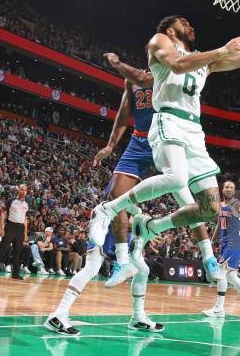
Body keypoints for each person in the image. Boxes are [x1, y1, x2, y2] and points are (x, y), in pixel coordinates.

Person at [90, 14, 240, 277]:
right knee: (176, 178)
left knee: (210, 208)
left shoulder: (204, 60)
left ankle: (153, 227)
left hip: (194, 130)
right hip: (168, 119)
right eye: (184, 21)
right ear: (171, 30)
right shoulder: (159, 41)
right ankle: (109, 209)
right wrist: (220, 50)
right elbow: (178, 65)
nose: (191, 24)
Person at [91, 52, 219, 287]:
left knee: (187, 199)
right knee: (115, 195)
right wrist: (110, 145)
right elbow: (124, 113)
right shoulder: (134, 80)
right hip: (140, 140)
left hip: (168, 136)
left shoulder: (176, 71)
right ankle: (121, 261)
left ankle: (208, 254)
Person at [202, 180, 240, 319]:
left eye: (231, 188)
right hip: (224, 244)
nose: (229, 189)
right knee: (231, 276)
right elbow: (219, 224)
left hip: (234, 243)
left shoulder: (238, 205)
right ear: (222, 190)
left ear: (234, 191)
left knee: (221, 272)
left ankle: (218, 308)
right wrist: (212, 241)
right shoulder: (220, 206)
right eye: (226, 187)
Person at [0, 184, 29, 280]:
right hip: (10, 226)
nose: (23, 192)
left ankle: (15, 273)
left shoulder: (27, 204)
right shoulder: (11, 200)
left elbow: (25, 219)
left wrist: (25, 233)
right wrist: (2, 228)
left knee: (18, 252)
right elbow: (3, 213)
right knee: (2, 249)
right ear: (18, 190)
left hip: (20, 229)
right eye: (21, 189)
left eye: (25, 190)